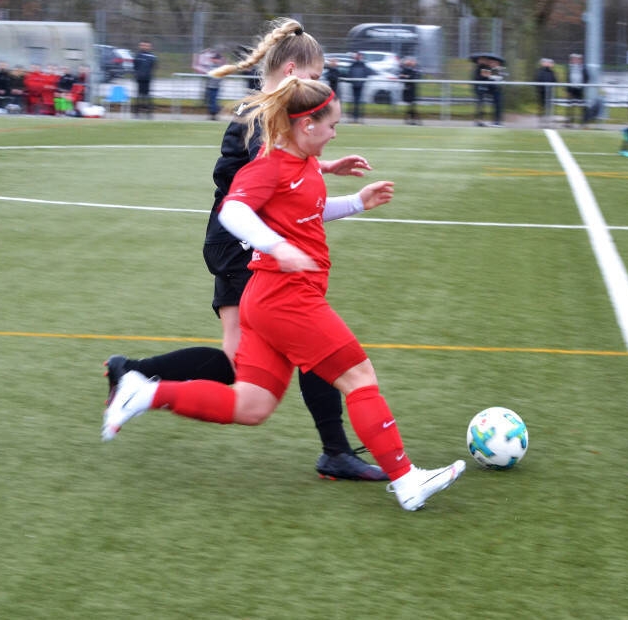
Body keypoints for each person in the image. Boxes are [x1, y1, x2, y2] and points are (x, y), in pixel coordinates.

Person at [102, 76, 466, 511]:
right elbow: (233, 211)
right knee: (359, 376)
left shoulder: (305, 162)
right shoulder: (270, 165)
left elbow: (308, 211)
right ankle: (407, 481)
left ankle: (144, 392)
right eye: (332, 125)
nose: (335, 134)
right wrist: (277, 246)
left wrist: (357, 202)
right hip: (285, 296)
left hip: (266, 298)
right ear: (306, 125)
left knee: (251, 405)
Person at [104, 18, 387, 481]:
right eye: (315, 77)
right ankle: (334, 450)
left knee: (243, 363)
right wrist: (319, 180)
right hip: (240, 240)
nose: (320, 87)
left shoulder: (262, 112)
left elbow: (282, 165)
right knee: (307, 342)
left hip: (229, 238)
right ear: (292, 71)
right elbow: (273, 170)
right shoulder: (261, 114)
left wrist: (325, 166)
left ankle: (132, 374)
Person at [346, 52, 375, 123]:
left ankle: (357, 117)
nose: (358, 57)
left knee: (358, 102)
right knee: (354, 101)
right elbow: (349, 73)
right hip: (354, 85)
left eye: (359, 56)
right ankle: (353, 117)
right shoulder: (353, 64)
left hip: (360, 85)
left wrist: (362, 81)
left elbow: (368, 73)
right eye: (357, 56)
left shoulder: (363, 65)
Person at [133, 40, 157, 118]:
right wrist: (137, 74)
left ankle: (149, 113)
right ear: (140, 46)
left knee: (147, 96)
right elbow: (135, 66)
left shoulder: (152, 56)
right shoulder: (137, 56)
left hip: (147, 79)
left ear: (150, 47)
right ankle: (136, 113)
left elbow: (153, 66)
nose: (144, 47)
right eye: (142, 45)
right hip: (139, 79)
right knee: (139, 96)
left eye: (146, 46)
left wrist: (149, 74)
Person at [565, 53, 589, 127]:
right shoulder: (570, 68)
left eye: (578, 59)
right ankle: (569, 122)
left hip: (580, 89)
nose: (576, 61)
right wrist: (568, 90)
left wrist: (583, 85)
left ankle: (582, 122)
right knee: (570, 106)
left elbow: (587, 77)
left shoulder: (583, 68)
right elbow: (567, 79)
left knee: (581, 106)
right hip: (572, 89)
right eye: (574, 59)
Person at [399, 56, 422, 125]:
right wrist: (406, 76)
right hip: (407, 90)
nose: (411, 62)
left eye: (412, 61)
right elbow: (401, 77)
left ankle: (410, 120)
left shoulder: (415, 69)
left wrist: (406, 76)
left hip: (413, 90)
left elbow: (414, 77)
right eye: (409, 61)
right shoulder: (405, 69)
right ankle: (414, 121)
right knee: (411, 106)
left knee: (412, 106)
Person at [535, 58, 557, 124]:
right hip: (542, 91)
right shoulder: (539, 71)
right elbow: (538, 79)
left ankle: (547, 118)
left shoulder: (551, 72)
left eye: (548, 63)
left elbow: (554, 80)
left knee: (548, 105)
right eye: (545, 62)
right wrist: (539, 88)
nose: (547, 64)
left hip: (549, 92)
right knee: (541, 105)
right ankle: (541, 118)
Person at [205, 51, 224, 120]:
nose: (213, 60)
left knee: (214, 101)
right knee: (211, 101)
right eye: (213, 58)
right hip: (210, 86)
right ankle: (213, 114)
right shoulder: (211, 66)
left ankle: (214, 114)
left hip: (216, 87)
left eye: (215, 58)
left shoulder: (220, 67)